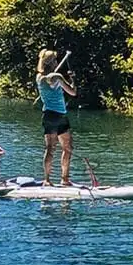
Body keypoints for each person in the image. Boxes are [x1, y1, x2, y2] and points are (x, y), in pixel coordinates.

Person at [36, 49, 77, 186]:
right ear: (51, 62)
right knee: (67, 148)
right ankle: (63, 179)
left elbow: (49, 81)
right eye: (55, 60)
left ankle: (48, 180)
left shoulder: (39, 78)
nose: (57, 62)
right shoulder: (57, 77)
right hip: (58, 116)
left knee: (51, 149)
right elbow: (72, 92)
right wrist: (72, 79)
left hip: (48, 116)